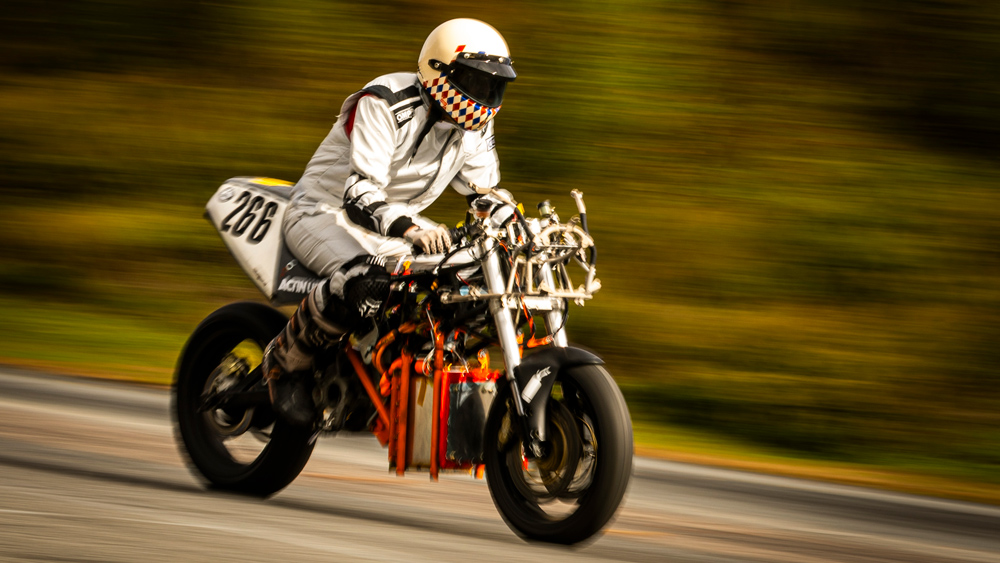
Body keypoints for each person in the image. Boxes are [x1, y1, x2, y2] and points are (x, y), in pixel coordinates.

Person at [261, 18, 517, 426]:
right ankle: (285, 363)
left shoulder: (474, 126)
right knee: (365, 280)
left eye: (494, 85)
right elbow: (359, 194)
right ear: (440, 71)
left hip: (397, 226)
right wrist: (413, 231)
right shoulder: (384, 102)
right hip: (324, 211)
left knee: (465, 278)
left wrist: (517, 228)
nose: (486, 96)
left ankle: (401, 367)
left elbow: (484, 196)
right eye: (475, 81)